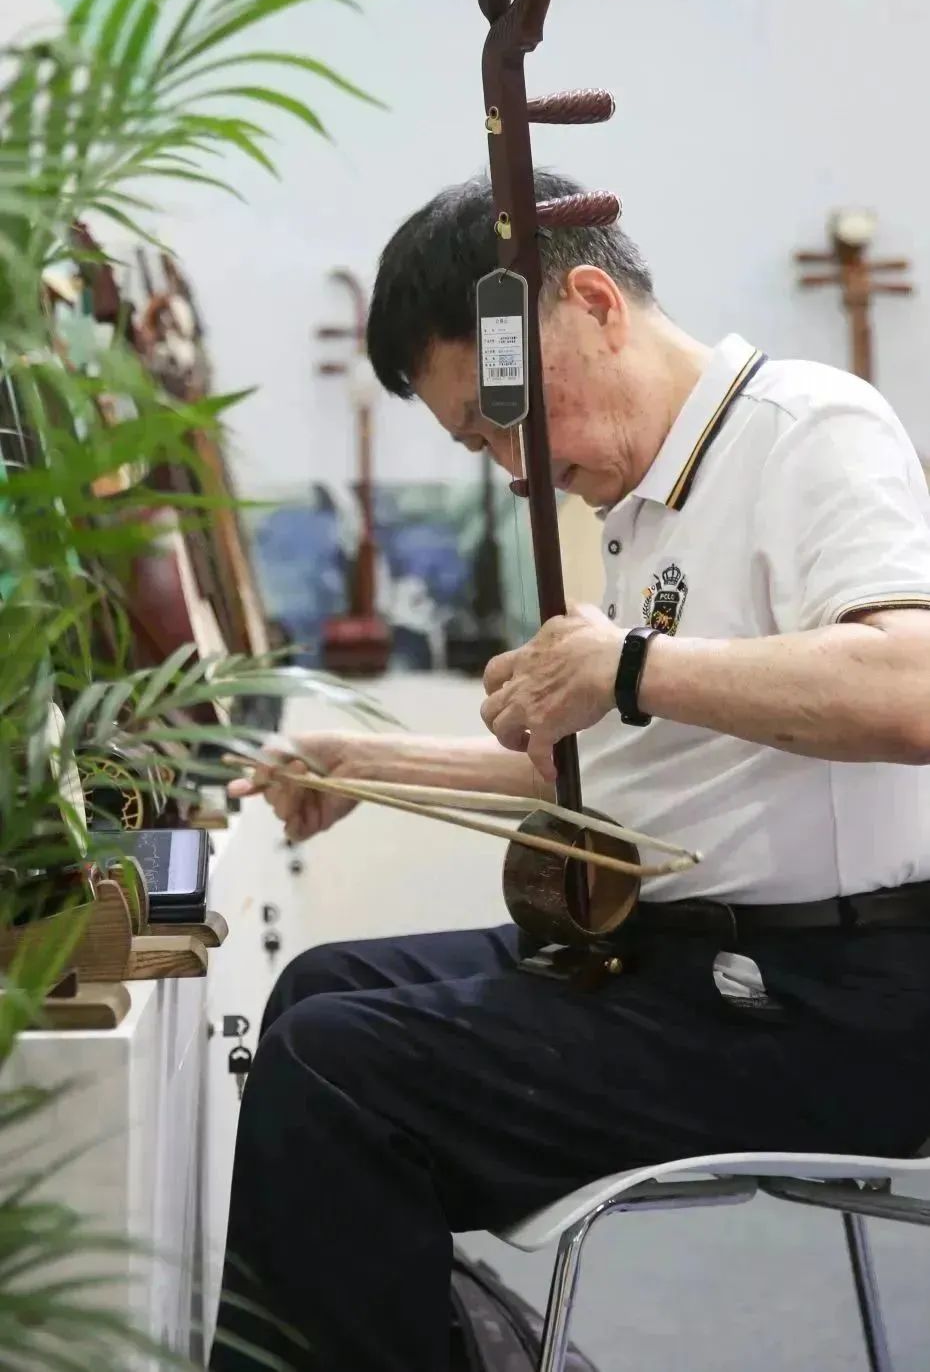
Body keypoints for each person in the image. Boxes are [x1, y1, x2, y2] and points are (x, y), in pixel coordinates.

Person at [210, 170, 930, 1372]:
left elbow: (911, 691)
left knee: (339, 1073)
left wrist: (630, 663)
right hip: (682, 965)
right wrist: (366, 760)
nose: (514, 466)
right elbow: (636, 777)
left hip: (826, 1006)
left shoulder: (809, 427)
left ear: (594, 304)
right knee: (318, 991)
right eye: (479, 442)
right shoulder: (645, 506)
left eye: (507, 420)